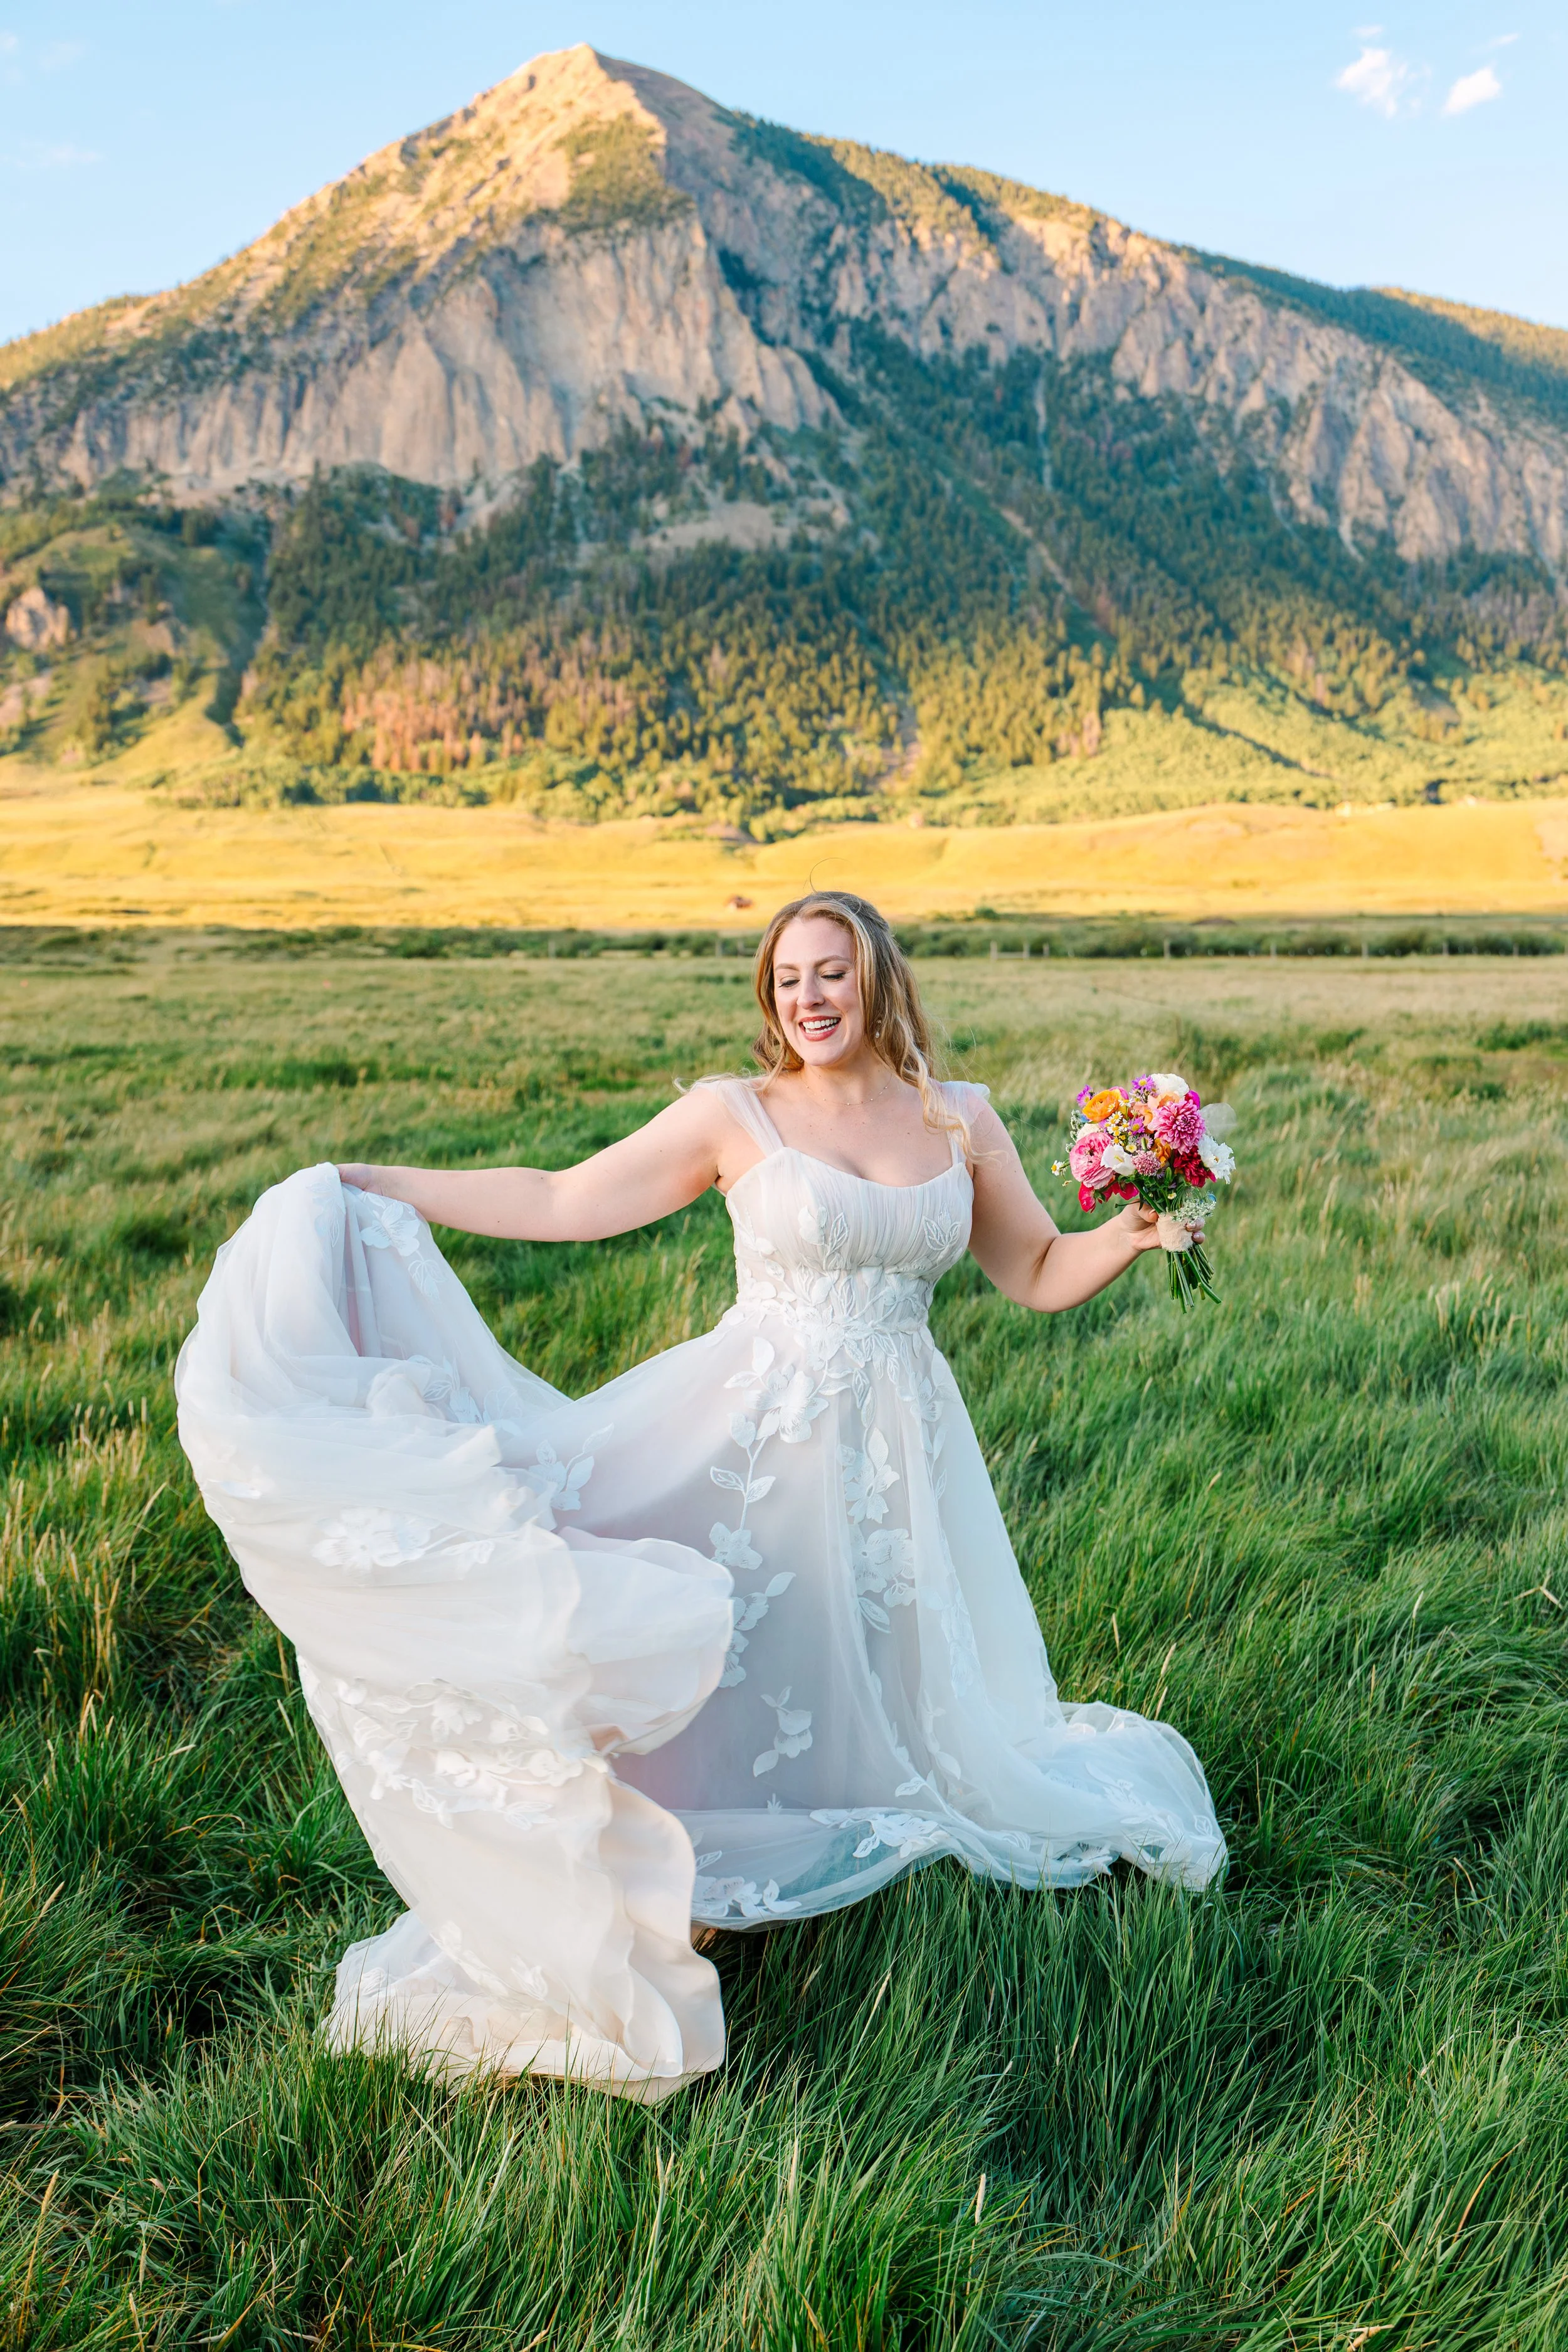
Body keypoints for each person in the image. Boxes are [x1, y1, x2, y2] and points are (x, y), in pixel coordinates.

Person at [176, 891, 1224, 2103]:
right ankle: (670, 1865)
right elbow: (567, 1199)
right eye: (787, 981)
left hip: (899, 1435)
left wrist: (1136, 1232)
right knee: (720, 1627)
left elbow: (1036, 1270)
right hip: (748, 1425)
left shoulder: (959, 1118)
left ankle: (830, 1820)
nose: (810, 1000)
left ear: (879, 978)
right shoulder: (736, 1114)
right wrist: (373, 1181)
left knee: (869, 1649)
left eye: (831, 973)